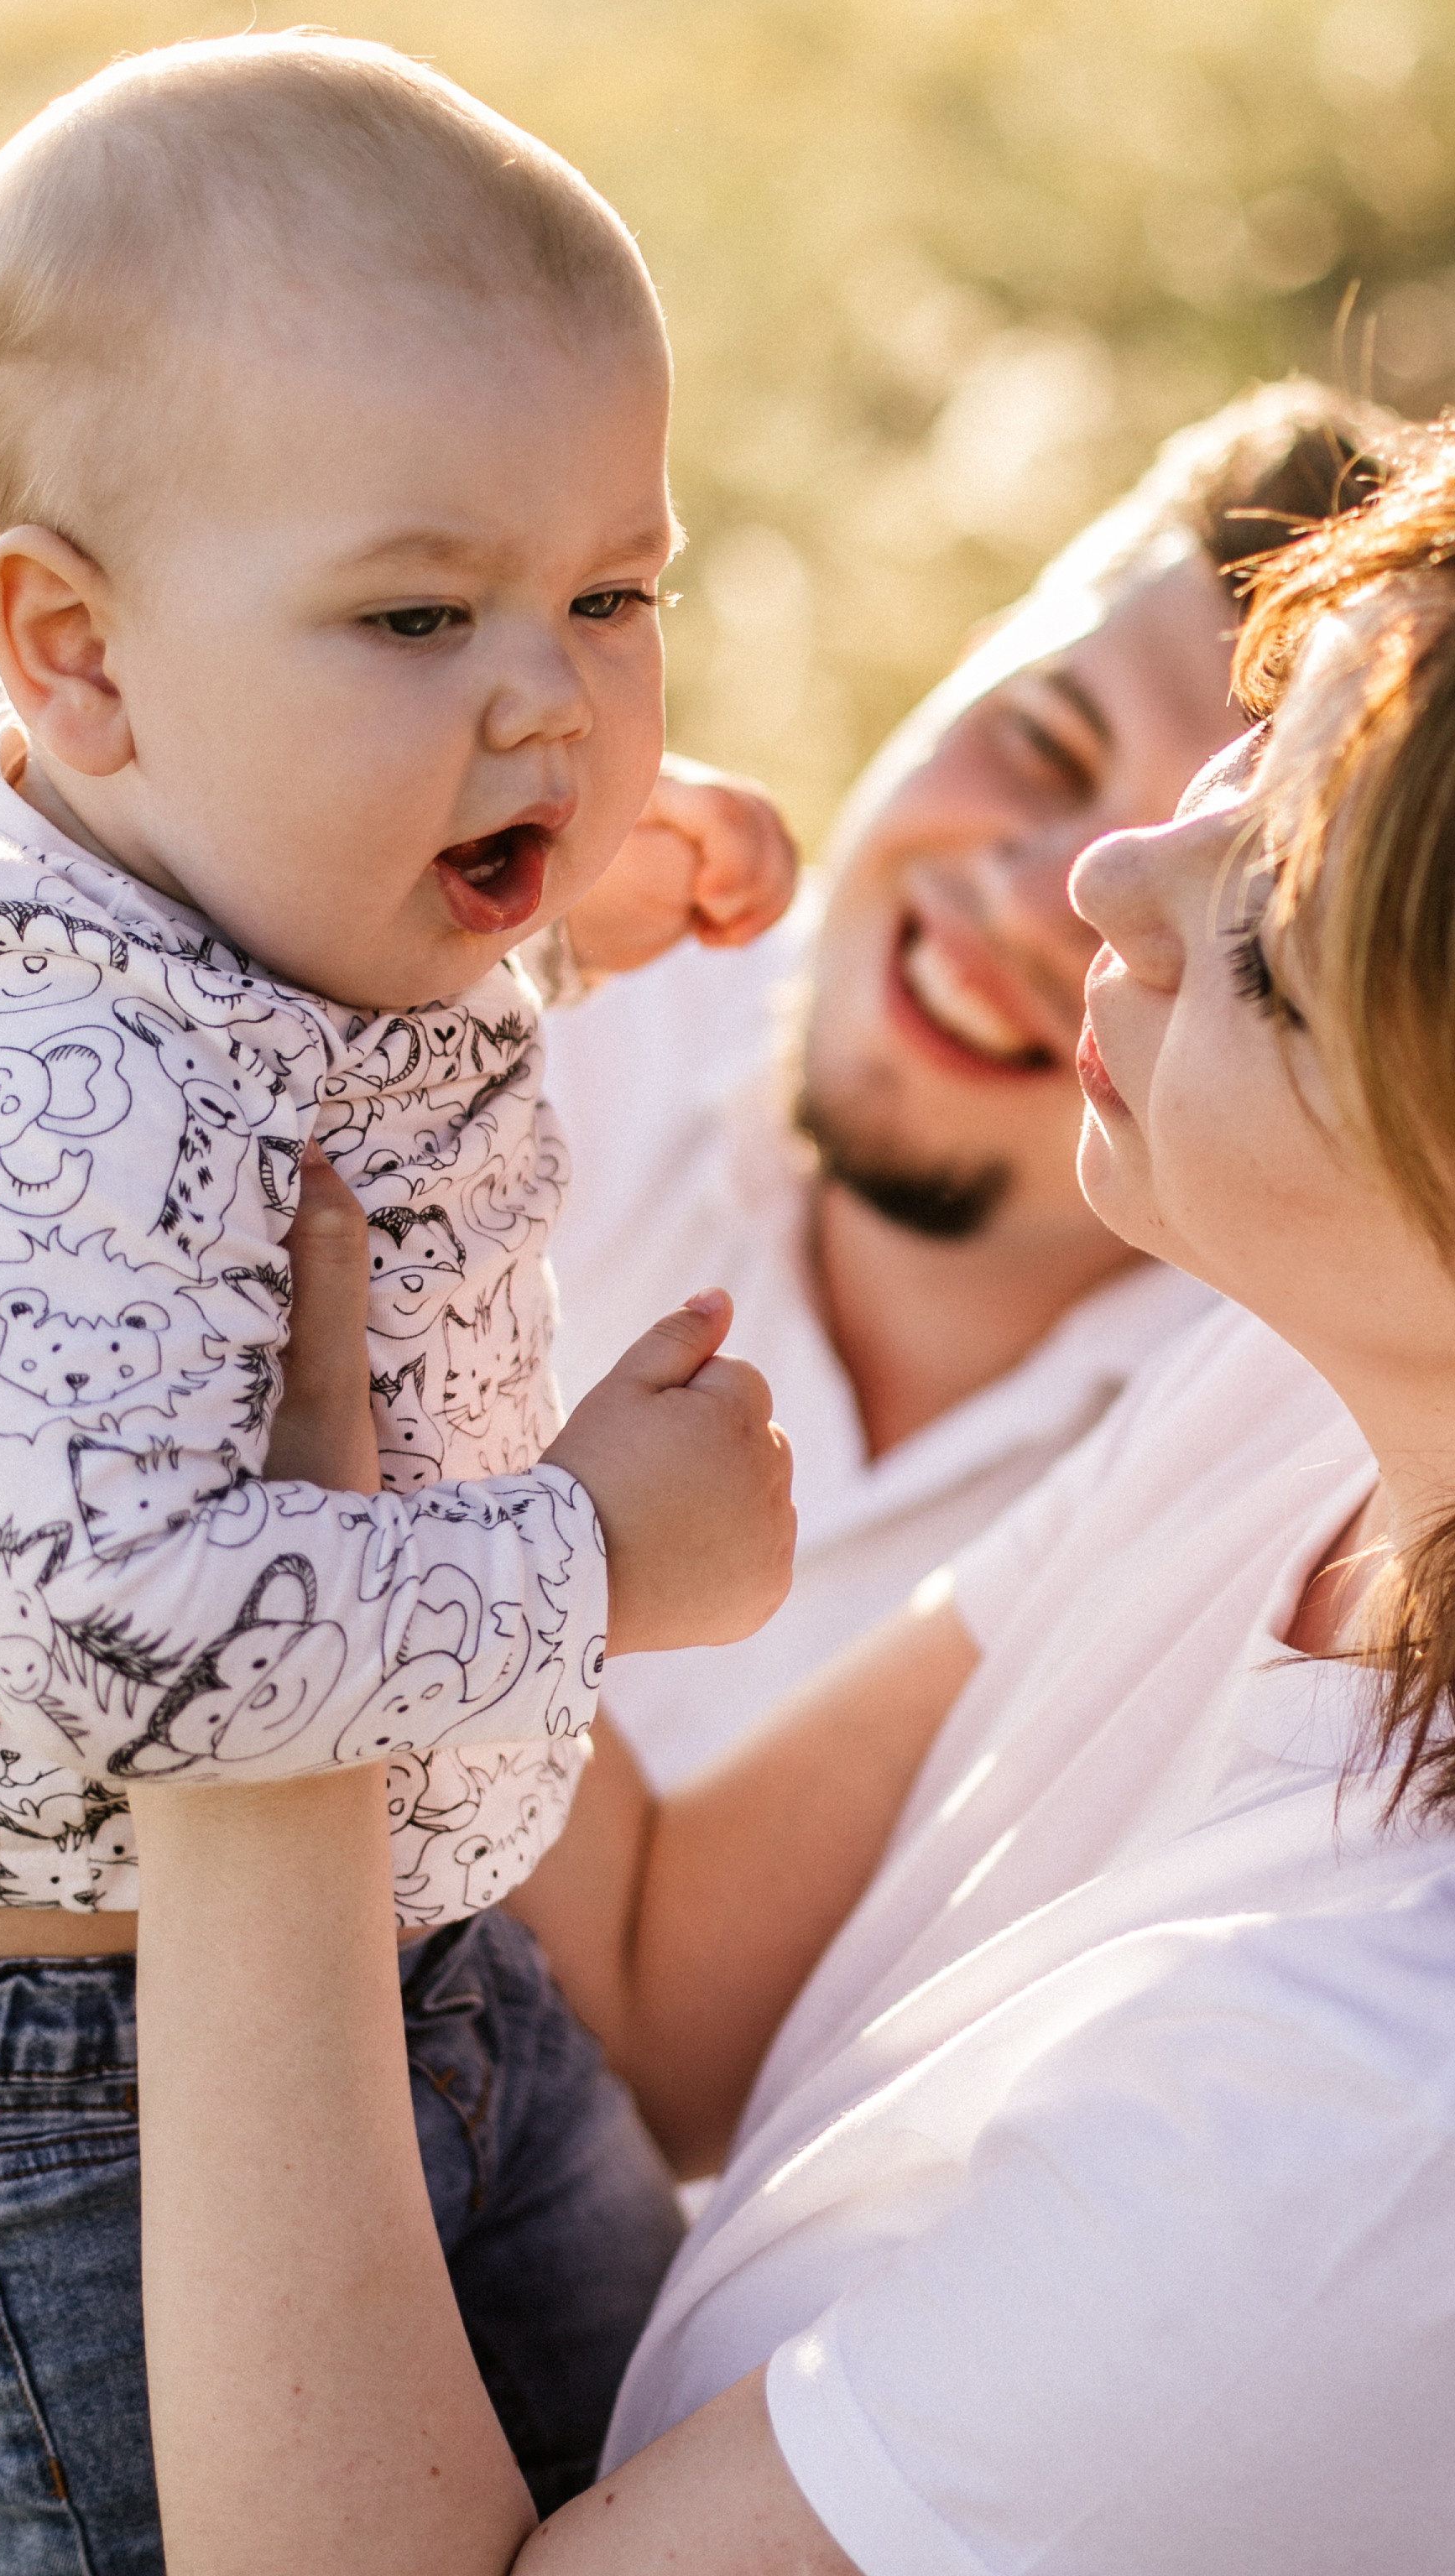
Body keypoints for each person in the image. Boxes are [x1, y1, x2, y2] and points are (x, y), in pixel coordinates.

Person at [96, 420, 1455, 2569]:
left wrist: (234, 1634)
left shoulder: (1358, 2127)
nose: (1104, 882)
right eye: (1263, 739)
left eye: (1273, 936)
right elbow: (666, 1978)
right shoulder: (1298, 1410)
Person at [0, 26, 798, 2572]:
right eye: (422, 614)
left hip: (410, 1949)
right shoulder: (50, 1075)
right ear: (70, 654)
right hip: (54, 2095)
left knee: (638, 2476)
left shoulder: (204, 806)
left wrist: (557, 871)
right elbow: (119, 1639)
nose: (553, 700)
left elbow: (296, 974)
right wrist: (599, 1559)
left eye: (612, 596)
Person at [553, 378, 1395, 1788]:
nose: (1032, 894)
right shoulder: (507, 1003)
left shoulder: (1289, 1487)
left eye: (1231, 907)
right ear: (977, 656)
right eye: (1043, 744)